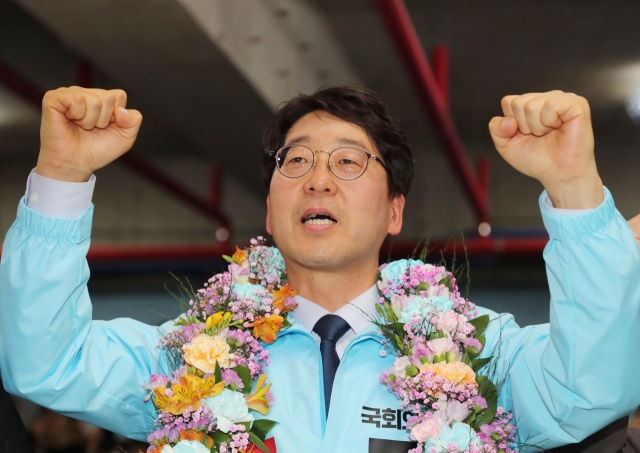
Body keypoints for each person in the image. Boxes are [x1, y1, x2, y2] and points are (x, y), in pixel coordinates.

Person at [0, 86, 639, 452]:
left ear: (395, 211)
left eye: (350, 162)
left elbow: (596, 386)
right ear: (272, 207)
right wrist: (62, 175)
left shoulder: (478, 359)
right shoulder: (188, 365)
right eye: (296, 161)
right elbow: (44, 362)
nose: (320, 181)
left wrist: (572, 182)